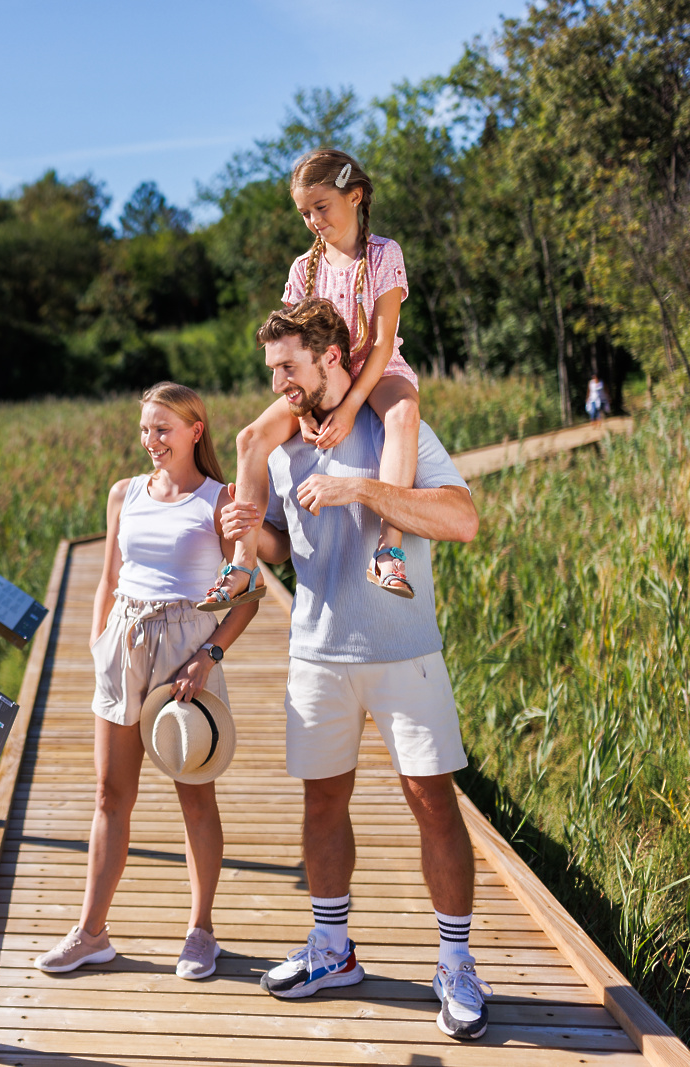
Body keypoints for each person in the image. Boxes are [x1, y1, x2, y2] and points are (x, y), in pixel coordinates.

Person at [217, 299, 491, 1041]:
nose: (278, 383)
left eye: (287, 368)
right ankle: (332, 950)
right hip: (317, 655)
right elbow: (283, 546)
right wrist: (254, 533)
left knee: (433, 802)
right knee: (320, 806)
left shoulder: (393, 425)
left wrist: (362, 487)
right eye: (273, 369)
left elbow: (462, 519)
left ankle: (457, 962)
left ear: (331, 358)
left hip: (405, 653)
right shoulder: (280, 447)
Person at [34, 382, 259, 981]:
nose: (151, 441)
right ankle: (91, 933)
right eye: (145, 430)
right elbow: (110, 577)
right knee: (111, 794)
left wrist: (207, 656)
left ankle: (201, 930)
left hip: (188, 647)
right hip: (124, 645)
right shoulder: (124, 493)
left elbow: (248, 598)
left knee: (194, 794)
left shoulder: (220, 500)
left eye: (163, 429)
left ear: (195, 430)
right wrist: (97, 641)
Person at [203, 149, 422, 612]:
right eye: (304, 212)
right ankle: (243, 566)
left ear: (355, 196)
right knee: (250, 438)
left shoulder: (384, 254)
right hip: (318, 376)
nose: (313, 220)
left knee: (403, 412)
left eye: (321, 208)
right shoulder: (303, 267)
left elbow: (382, 343)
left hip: (374, 370)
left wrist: (347, 409)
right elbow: (289, 347)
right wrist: (303, 408)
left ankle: (388, 549)